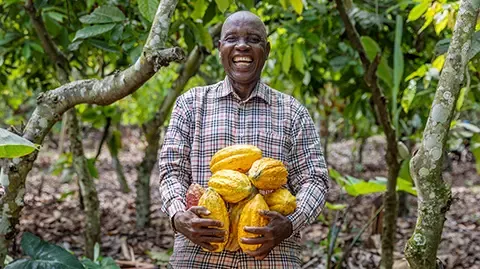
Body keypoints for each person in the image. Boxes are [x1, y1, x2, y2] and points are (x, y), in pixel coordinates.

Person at [158, 10, 329, 268]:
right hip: (199, 251)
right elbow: (171, 171)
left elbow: (315, 178)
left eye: (253, 39)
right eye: (231, 38)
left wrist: (291, 223)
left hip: (272, 252)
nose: (242, 46)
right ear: (219, 48)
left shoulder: (292, 111)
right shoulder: (191, 104)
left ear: (267, 50)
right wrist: (178, 216)